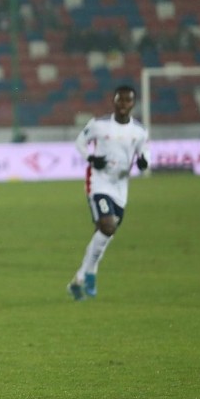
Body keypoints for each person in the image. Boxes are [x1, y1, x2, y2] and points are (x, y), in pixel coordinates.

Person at [67, 85, 150, 300]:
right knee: (107, 226)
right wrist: (91, 158)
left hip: (120, 187)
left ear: (133, 104)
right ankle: (89, 273)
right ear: (114, 101)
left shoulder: (139, 131)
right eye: (120, 100)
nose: (123, 105)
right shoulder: (99, 125)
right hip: (99, 182)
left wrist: (143, 162)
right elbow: (80, 142)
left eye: (128, 101)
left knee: (104, 234)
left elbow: (144, 153)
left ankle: (81, 278)